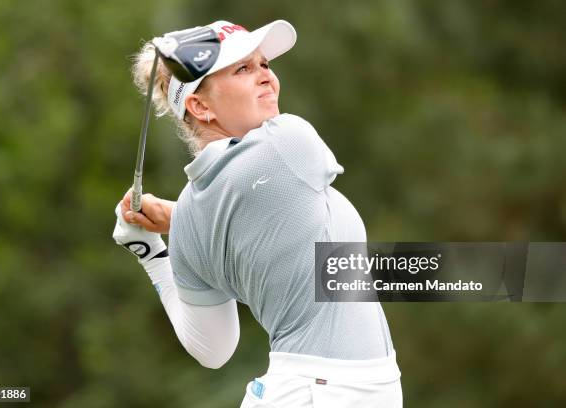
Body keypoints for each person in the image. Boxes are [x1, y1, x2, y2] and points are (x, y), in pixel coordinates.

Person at [113, 19, 402, 407]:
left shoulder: (193, 220)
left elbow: (212, 349)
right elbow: (259, 189)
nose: (266, 75)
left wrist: (153, 250)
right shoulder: (288, 141)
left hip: (309, 390)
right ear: (200, 106)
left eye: (264, 63)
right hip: (322, 392)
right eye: (243, 68)